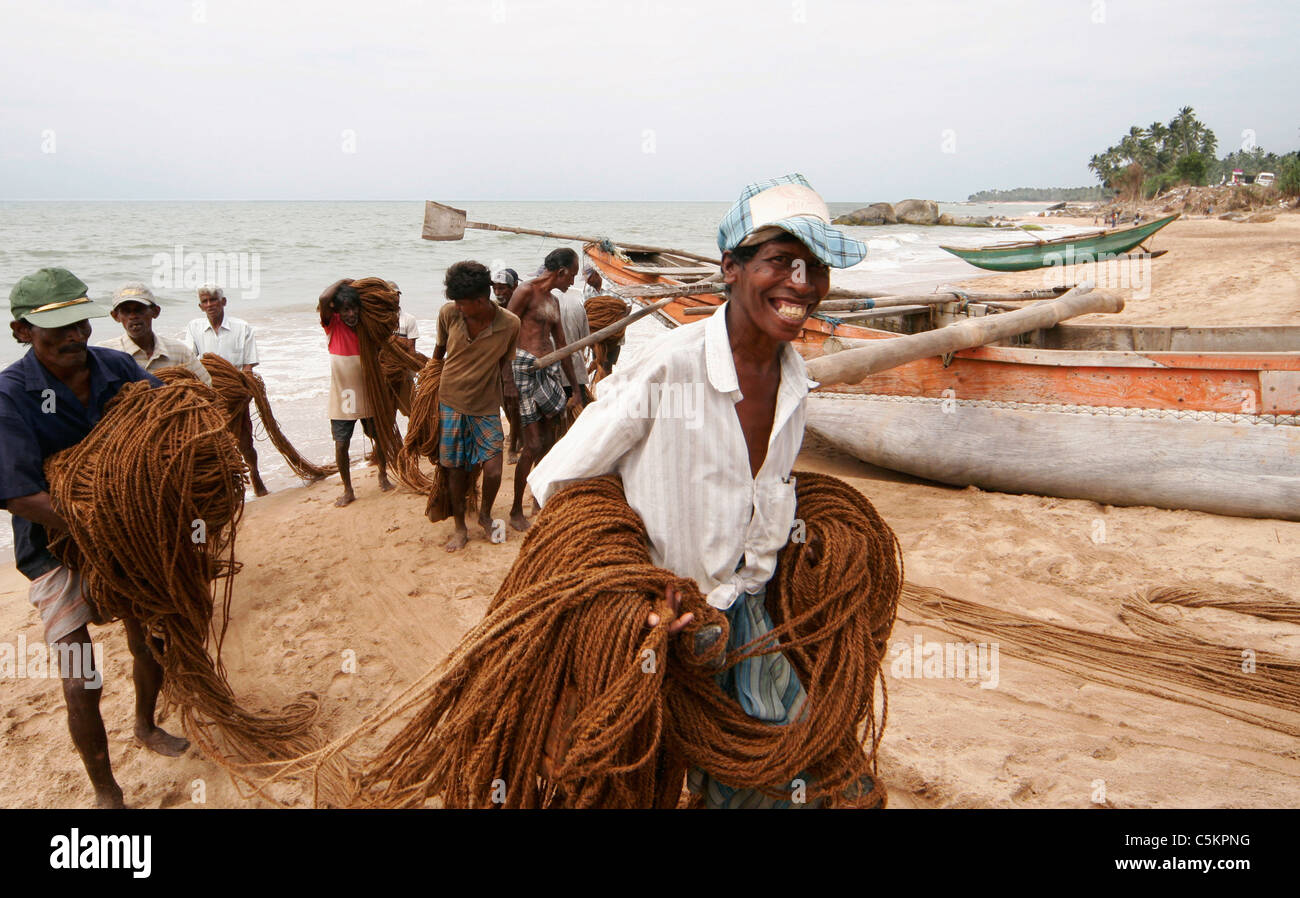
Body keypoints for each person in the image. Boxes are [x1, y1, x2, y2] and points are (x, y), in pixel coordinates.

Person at [529, 173, 874, 809]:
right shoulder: (669, 366)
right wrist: (631, 600)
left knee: (814, 780)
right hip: (649, 632)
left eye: (815, 267)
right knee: (624, 784)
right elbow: (554, 484)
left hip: (744, 621)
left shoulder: (795, 384)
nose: (803, 282)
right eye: (780, 260)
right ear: (731, 268)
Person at [1, 268, 190, 809]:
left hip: (127, 535)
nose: (73, 338)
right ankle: (107, 791)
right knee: (81, 677)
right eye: (54, 330)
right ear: (20, 332)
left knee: (148, 635)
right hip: (55, 543)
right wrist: (108, 516)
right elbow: (19, 495)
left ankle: (145, 724)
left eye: (78, 324)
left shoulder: (115, 366)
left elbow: (167, 417)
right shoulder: (10, 395)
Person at [433, 262, 521, 551]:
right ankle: (460, 526)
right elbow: (439, 350)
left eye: (462, 302)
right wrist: (429, 380)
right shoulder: (449, 314)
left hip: (485, 405)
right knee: (454, 469)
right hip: (451, 401)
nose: (457, 307)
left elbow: (505, 363)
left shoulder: (510, 324)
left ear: (481, 301)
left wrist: (510, 390)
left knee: (494, 469)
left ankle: (485, 514)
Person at [505, 248, 586, 531]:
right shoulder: (526, 292)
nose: (572, 282)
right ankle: (516, 509)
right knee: (533, 444)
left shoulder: (554, 301)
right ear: (561, 271)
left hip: (548, 375)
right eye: (572, 275)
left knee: (550, 443)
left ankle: (538, 498)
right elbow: (504, 332)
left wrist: (574, 388)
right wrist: (506, 381)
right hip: (524, 374)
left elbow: (562, 345)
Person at [317, 279, 394, 506]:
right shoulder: (333, 325)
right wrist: (343, 281)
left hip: (369, 391)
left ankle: (383, 474)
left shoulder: (367, 327)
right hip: (343, 396)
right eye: (346, 310)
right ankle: (348, 489)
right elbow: (323, 299)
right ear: (337, 312)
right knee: (342, 444)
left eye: (354, 308)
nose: (351, 314)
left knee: (379, 437)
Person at [185, 285, 267, 496]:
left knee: (244, 441)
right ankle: (229, 490)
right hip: (208, 396)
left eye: (214, 300)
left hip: (236, 395)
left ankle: (255, 476)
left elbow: (248, 366)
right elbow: (190, 361)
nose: (210, 304)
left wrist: (242, 391)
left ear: (224, 302)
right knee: (215, 444)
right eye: (205, 301)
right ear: (200, 306)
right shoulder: (194, 328)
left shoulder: (242, 327)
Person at [97, 283, 212, 386]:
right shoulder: (105, 354)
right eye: (126, 311)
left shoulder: (180, 352)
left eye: (139, 310)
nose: (133, 316)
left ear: (155, 311)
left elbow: (206, 388)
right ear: (116, 316)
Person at [491, 268, 523, 463]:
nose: (498, 292)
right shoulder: (495, 311)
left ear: (514, 288)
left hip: (516, 363)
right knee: (506, 405)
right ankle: (516, 438)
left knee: (515, 405)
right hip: (498, 364)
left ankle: (513, 445)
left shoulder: (517, 310)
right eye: (496, 288)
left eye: (503, 288)